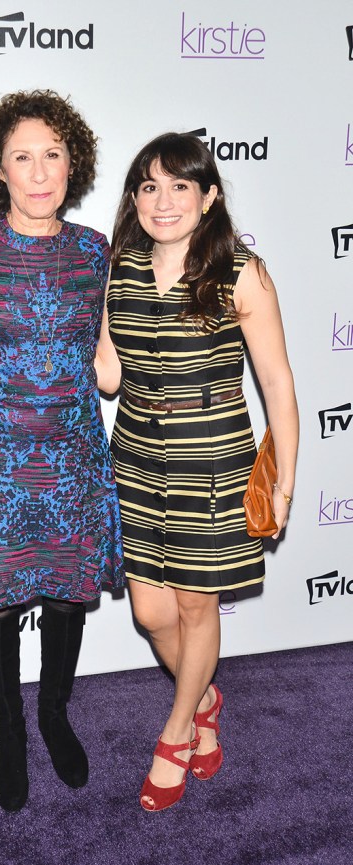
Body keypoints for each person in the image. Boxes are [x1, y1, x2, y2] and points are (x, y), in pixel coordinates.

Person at [98, 132, 298, 811]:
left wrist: (284, 479)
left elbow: (277, 384)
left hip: (212, 452)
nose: (164, 200)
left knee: (195, 604)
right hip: (135, 455)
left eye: (180, 186)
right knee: (153, 612)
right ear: (135, 198)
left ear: (209, 196)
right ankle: (206, 694)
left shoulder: (242, 271)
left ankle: (178, 731)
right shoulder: (116, 267)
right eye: (149, 186)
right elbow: (108, 373)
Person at [0, 90, 124, 813]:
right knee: (0, 605)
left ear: (72, 163)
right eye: (23, 156)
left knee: (70, 595)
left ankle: (53, 713)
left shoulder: (93, 250)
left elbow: (107, 353)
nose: (40, 171)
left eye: (53, 154)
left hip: (75, 449)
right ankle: (11, 730)